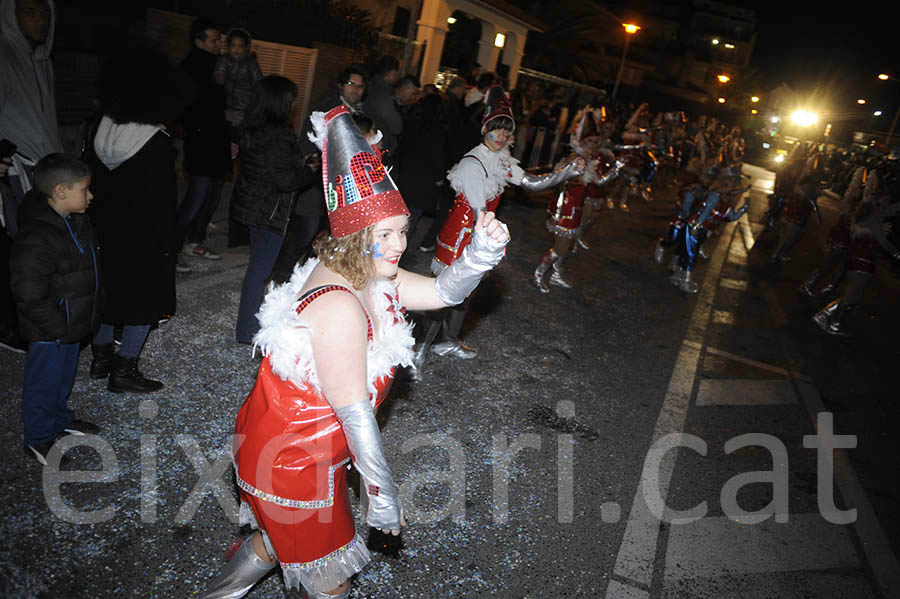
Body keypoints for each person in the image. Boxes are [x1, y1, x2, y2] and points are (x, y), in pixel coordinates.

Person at [201, 104, 510, 599]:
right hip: (293, 459)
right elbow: (355, 415)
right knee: (331, 578)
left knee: (274, 541)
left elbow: (443, 293)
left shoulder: (372, 273)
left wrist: (478, 256)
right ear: (354, 235)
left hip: (288, 442)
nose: (398, 245)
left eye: (402, 230)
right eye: (383, 235)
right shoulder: (340, 304)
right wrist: (381, 495)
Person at [415, 85, 581, 367]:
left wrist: (566, 172)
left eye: (507, 130)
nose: (501, 136)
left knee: (466, 296)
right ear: (484, 129)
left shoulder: (502, 160)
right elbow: (480, 213)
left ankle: (448, 342)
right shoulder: (473, 163)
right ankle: (420, 351)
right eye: (496, 129)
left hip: (478, 234)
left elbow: (530, 182)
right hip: (460, 238)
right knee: (446, 297)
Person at [86, 48, 185, 393]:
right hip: (143, 235)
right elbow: (162, 201)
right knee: (143, 300)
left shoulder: (97, 128)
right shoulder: (155, 142)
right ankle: (124, 369)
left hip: (104, 228)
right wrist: (169, 243)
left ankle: (100, 359)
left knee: (106, 294)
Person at [9, 153, 101, 465]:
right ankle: (38, 438)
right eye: (84, 190)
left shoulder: (76, 221)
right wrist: (56, 325)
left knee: (62, 378)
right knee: (43, 383)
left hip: (70, 320)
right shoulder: (37, 235)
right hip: (50, 328)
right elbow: (28, 291)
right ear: (61, 191)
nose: (91, 196)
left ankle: (60, 417)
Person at [232, 75, 315, 344]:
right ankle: (246, 330)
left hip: (256, 205)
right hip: (268, 211)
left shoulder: (255, 126)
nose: (293, 106)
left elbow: (273, 170)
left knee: (258, 268)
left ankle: (248, 325)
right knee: (259, 270)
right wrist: (309, 170)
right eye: (290, 100)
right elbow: (286, 180)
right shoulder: (277, 135)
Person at [0, 0, 62, 238]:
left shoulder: (42, 62)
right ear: (10, 15)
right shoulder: (4, 56)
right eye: (29, 13)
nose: (41, 21)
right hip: (17, 171)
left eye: (46, 14)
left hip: (46, 169)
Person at [177, 17, 230, 267]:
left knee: (212, 195)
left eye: (219, 39)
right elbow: (188, 108)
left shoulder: (220, 65)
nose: (219, 44)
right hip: (201, 142)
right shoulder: (191, 68)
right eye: (213, 40)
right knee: (197, 195)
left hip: (217, 140)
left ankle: (195, 242)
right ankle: (173, 247)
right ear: (199, 41)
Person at [395, 91, 446, 245]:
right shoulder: (437, 130)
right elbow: (438, 157)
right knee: (409, 224)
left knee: (397, 220)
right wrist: (439, 179)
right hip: (423, 183)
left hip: (405, 178)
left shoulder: (411, 122)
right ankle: (395, 256)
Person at [213, 27, 264, 131]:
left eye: (240, 46)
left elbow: (258, 81)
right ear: (228, 46)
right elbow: (219, 72)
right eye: (233, 45)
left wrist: (256, 98)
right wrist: (219, 77)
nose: (237, 49)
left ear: (246, 48)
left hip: (244, 105)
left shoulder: (250, 63)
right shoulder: (224, 59)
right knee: (225, 130)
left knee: (238, 132)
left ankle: (236, 145)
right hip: (226, 103)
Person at [363, 55, 403, 155]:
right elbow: (391, 119)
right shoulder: (381, 90)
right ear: (392, 73)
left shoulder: (374, 86)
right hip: (379, 144)